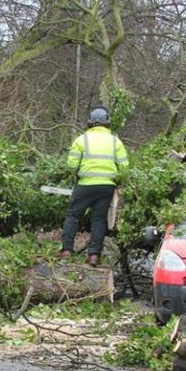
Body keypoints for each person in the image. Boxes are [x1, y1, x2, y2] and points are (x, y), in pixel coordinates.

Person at [59, 106, 129, 266]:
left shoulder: (81, 140)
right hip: (106, 187)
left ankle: (67, 250)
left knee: (73, 215)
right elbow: (125, 167)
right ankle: (94, 256)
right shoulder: (115, 141)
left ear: (90, 123)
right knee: (98, 220)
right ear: (107, 123)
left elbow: (71, 165)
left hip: (85, 185)